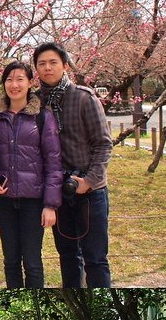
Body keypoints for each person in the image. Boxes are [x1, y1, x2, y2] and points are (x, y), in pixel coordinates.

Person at [33, 42, 112, 288]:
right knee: (67, 256)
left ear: (65, 65)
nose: (47, 68)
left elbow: (103, 144)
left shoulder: (84, 97)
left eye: (53, 62)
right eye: (42, 63)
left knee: (96, 259)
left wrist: (88, 181)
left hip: (90, 191)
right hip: (58, 190)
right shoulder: (35, 102)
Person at [0, 61, 62, 288]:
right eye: (9, 79)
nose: (14, 85)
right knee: (11, 261)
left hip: (33, 201)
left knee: (33, 262)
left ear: (30, 83)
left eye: (20, 79)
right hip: (4, 200)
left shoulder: (42, 117)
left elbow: (53, 161)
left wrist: (51, 204)